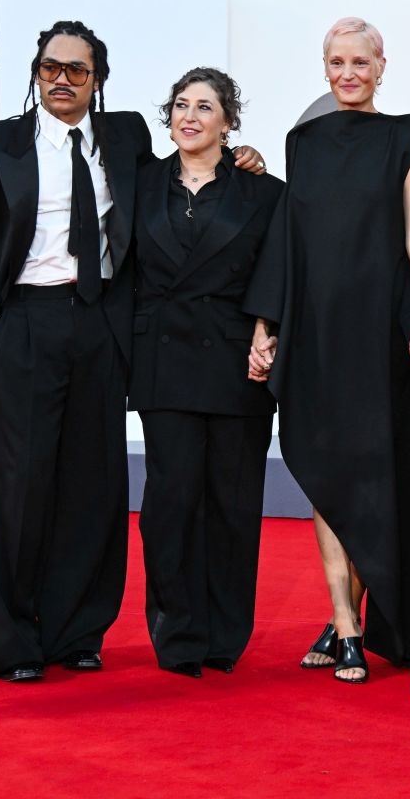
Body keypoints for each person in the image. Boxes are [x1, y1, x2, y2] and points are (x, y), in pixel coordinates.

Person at [244, 16, 410, 683]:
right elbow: (290, 239)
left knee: (370, 476)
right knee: (327, 473)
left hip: (379, 331)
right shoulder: (302, 141)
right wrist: (266, 326)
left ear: (382, 66)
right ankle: (346, 622)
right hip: (317, 333)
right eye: (337, 62)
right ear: (324, 68)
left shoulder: (404, 135)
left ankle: (345, 621)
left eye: (361, 61)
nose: (349, 73)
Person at [0, 20, 148, 682]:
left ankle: (76, 632)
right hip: (24, 323)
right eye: (49, 68)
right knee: (17, 488)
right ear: (35, 73)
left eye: (76, 70)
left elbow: (178, 177)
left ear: (98, 79)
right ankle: (11, 642)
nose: (61, 80)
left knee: (93, 486)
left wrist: (240, 157)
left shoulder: (127, 137)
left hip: (99, 323)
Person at [129, 67, 283, 677]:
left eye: (204, 107)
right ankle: (177, 633)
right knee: (169, 504)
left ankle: (224, 635)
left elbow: (279, 270)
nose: (189, 116)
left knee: (233, 504)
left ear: (228, 121)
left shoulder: (263, 192)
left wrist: (266, 328)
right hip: (163, 363)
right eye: (180, 105)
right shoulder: (139, 182)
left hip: (237, 364)